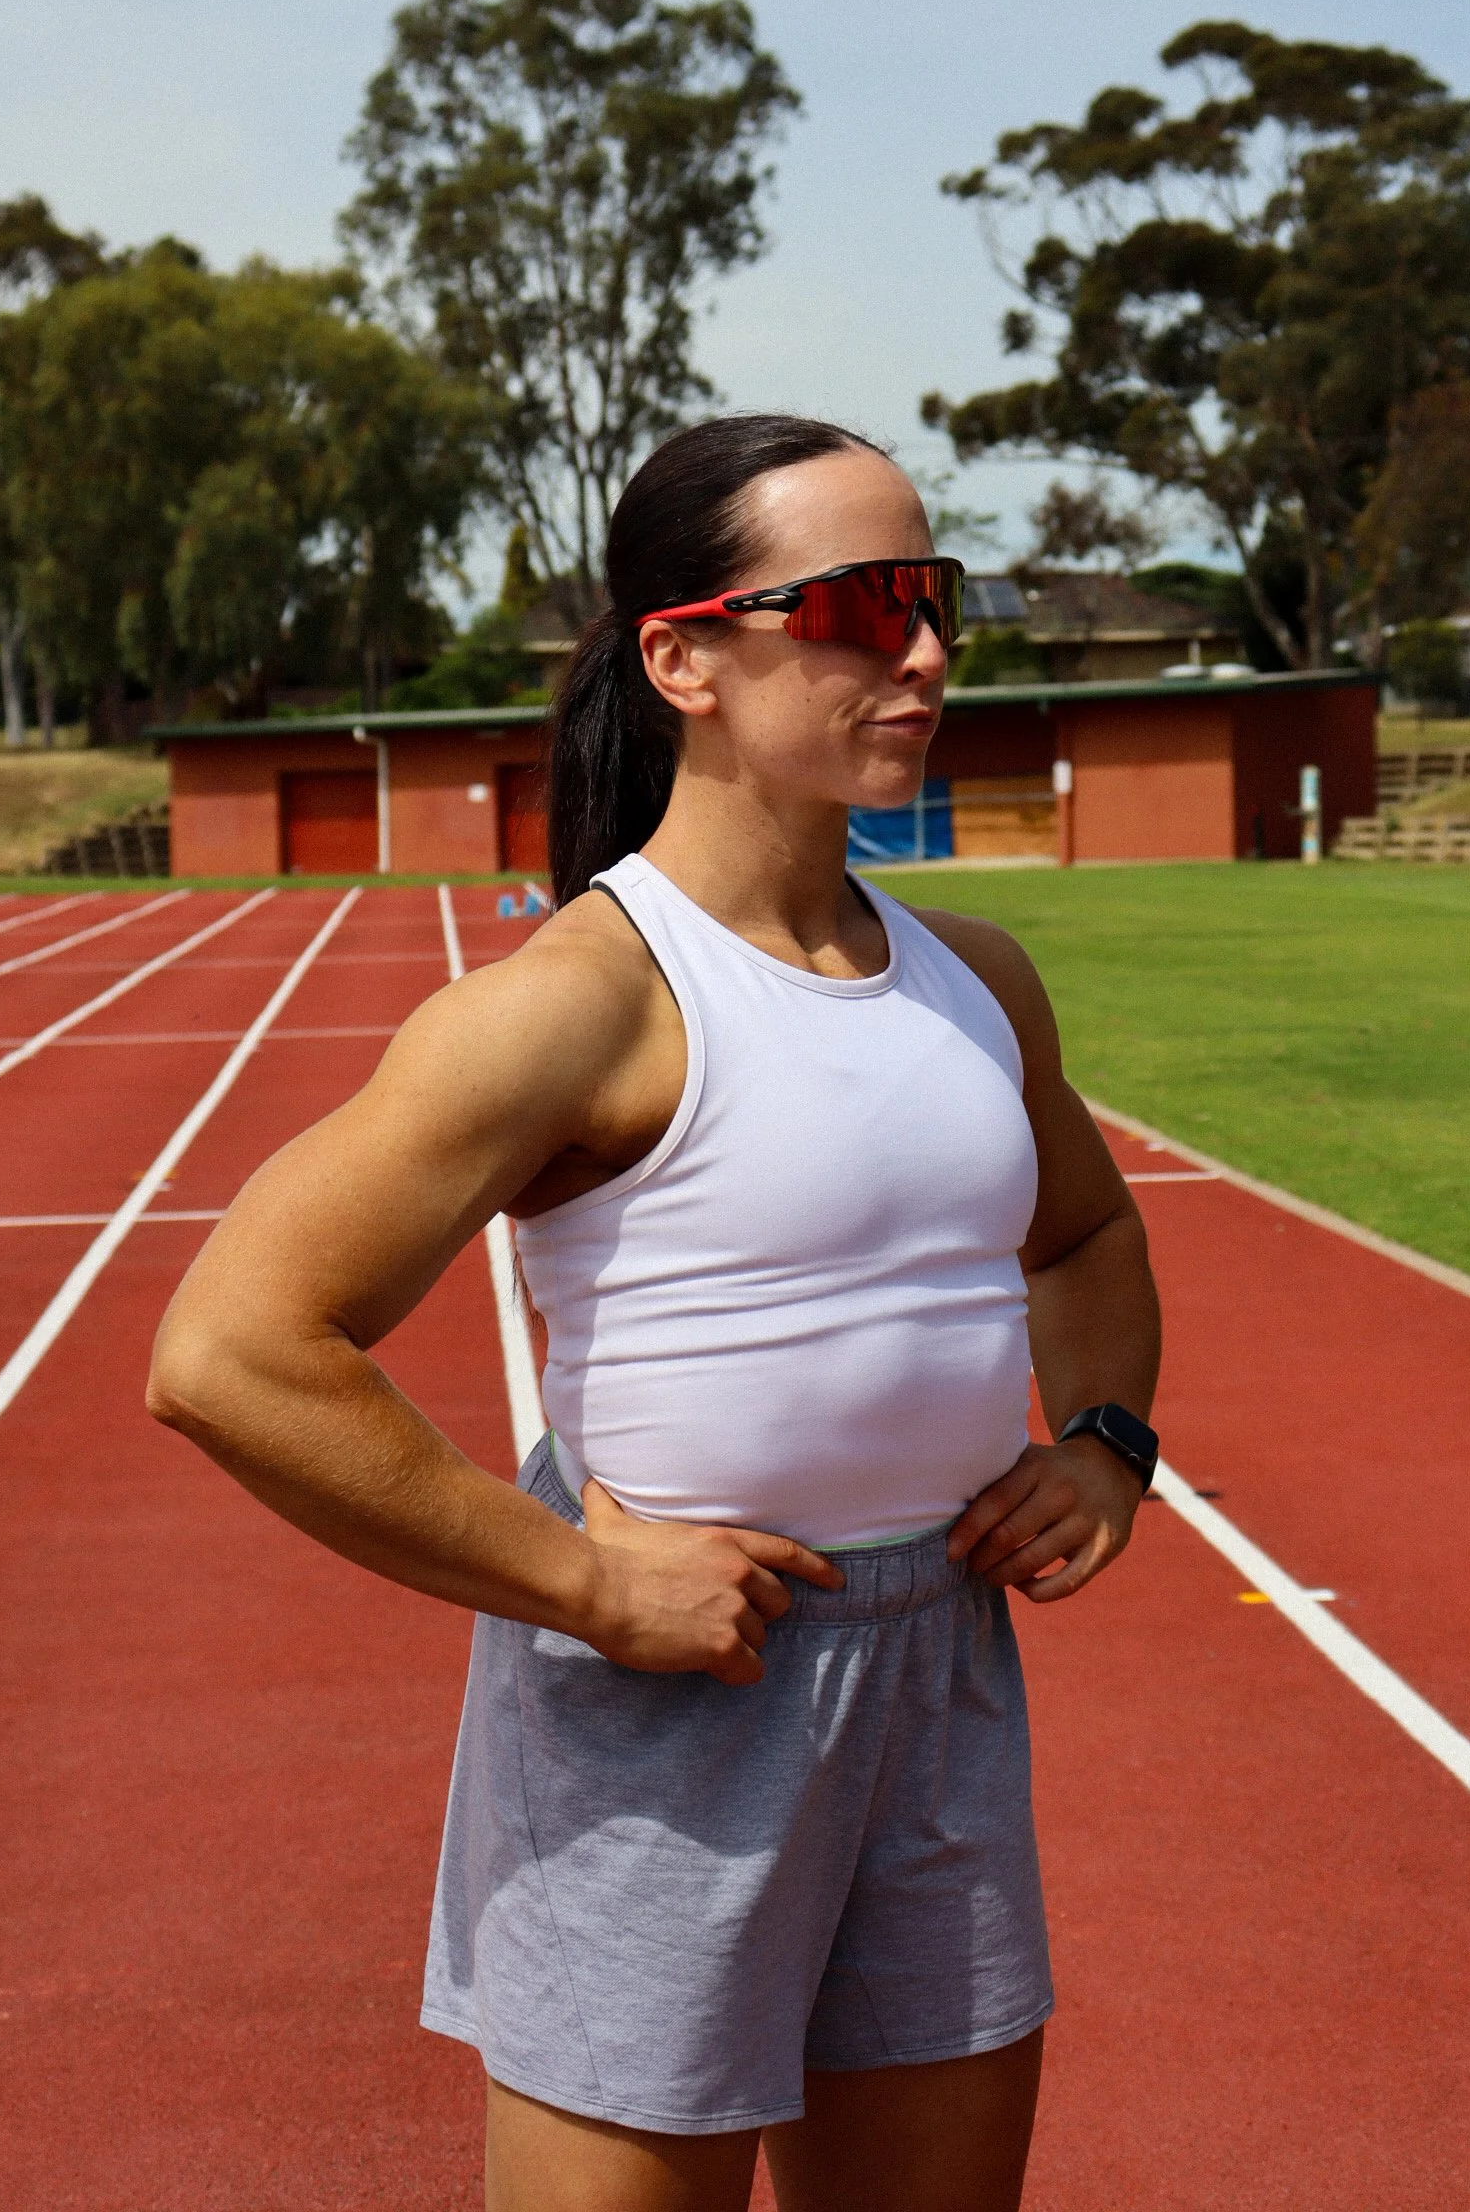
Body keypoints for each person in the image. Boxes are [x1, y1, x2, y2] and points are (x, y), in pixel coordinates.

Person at [148, 414, 1161, 2212]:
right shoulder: (579, 1006)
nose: (921, 650)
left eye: (937, 599)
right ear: (681, 654)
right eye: (860, 606)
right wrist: (589, 1583)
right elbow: (230, 1351)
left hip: (937, 1673)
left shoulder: (978, 983)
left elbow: (1081, 1242)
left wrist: (1103, 1445)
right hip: (672, 1707)